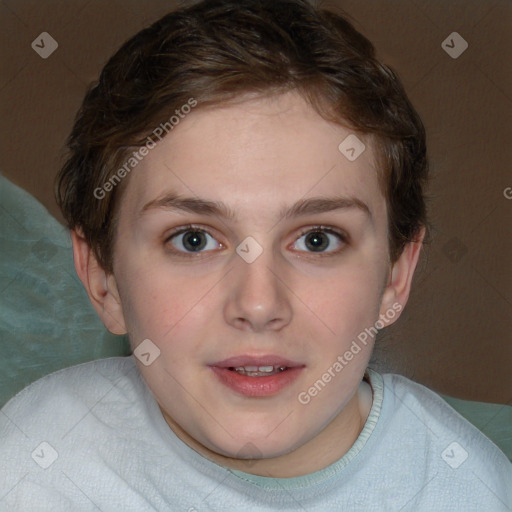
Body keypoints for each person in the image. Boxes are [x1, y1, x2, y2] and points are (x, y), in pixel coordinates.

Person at [1, 0, 510, 510]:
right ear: (101, 279)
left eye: (317, 239)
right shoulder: (36, 467)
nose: (259, 304)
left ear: (395, 278)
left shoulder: (467, 489)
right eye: (193, 239)